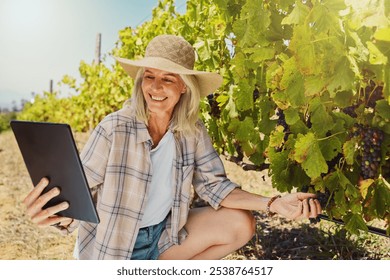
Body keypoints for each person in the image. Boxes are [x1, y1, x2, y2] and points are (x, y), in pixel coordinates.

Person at [23, 34, 322, 260]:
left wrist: (274, 203)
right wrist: (52, 214)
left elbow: (215, 187)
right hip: (113, 248)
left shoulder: (191, 130)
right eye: (149, 77)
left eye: (168, 79)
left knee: (241, 223)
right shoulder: (114, 127)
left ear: (184, 87)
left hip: (163, 237)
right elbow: (78, 193)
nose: (155, 87)